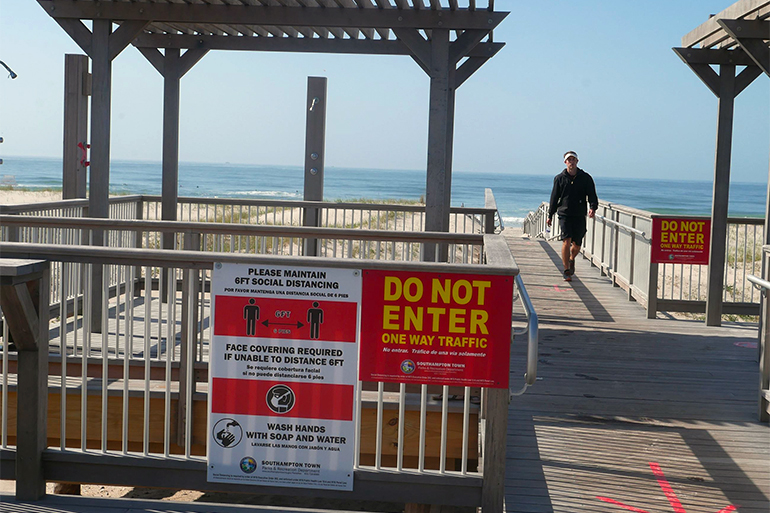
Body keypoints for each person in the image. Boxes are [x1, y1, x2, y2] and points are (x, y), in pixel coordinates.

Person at [546, 151, 598, 282]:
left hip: (579, 214)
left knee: (577, 244)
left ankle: (571, 258)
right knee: (566, 240)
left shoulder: (586, 178)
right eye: (569, 160)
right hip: (564, 214)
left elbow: (592, 195)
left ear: (577, 161)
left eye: (573, 159)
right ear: (565, 162)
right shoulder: (559, 178)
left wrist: (593, 207)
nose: (571, 162)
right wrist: (550, 214)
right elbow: (554, 197)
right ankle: (566, 270)